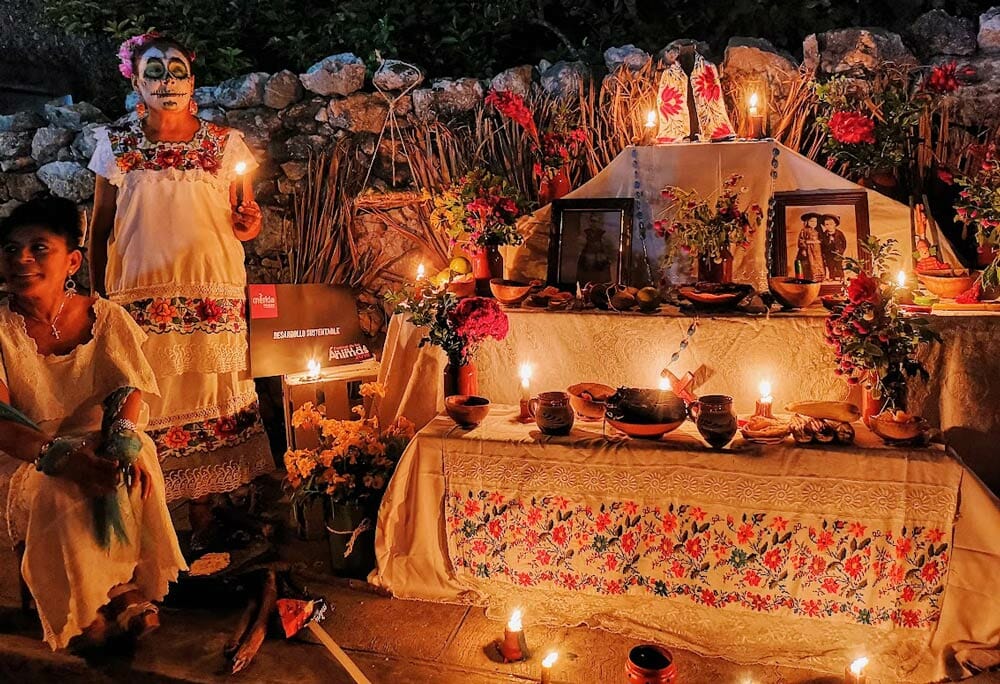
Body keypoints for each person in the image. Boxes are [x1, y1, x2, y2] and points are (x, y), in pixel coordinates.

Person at [87, 34, 272, 509]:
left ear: (193, 78)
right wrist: (96, 300)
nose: (166, 81)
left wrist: (250, 225)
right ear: (134, 80)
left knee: (211, 389)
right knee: (150, 398)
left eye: (176, 70)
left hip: (212, 288)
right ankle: (156, 514)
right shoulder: (116, 144)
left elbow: (243, 222)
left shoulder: (225, 145)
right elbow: (101, 227)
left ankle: (215, 516)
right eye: (154, 71)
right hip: (138, 294)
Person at [0, 198, 187, 650]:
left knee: (134, 456)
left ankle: (120, 587)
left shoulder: (105, 317)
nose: (21, 259)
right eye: (10, 249)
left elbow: (128, 389)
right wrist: (59, 456)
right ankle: (83, 607)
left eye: (38, 248)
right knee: (52, 485)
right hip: (25, 450)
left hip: (98, 437)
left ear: (72, 261)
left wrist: (118, 443)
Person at [795, 212, 824, 282]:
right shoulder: (804, 230)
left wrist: (819, 242)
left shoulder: (817, 231)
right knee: (810, 263)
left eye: (815, 221)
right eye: (811, 221)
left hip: (817, 250)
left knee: (818, 263)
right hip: (808, 250)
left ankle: (819, 277)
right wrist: (803, 249)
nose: (814, 223)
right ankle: (810, 278)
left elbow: (822, 239)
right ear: (807, 222)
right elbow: (801, 240)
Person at [819, 214, 847, 281]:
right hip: (828, 253)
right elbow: (822, 245)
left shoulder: (839, 233)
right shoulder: (824, 234)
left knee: (838, 265)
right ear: (824, 226)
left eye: (831, 224)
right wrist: (824, 253)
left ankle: (841, 277)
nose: (829, 226)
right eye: (827, 224)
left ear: (835, 224)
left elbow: (844, 243)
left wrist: (841, 251)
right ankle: (832, 277)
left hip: (838, 253)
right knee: (830, 265)